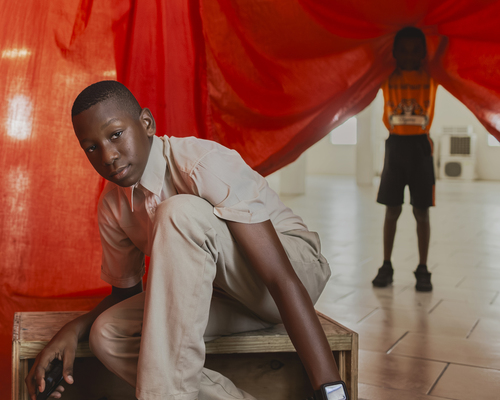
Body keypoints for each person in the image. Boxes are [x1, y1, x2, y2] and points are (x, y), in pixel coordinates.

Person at [26, 81, 349, 400]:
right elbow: (125, 295)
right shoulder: (113, 206)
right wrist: (74, 329)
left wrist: (332, 391)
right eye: (91, 147)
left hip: (289, 276)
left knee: (179, 211)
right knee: (107, 333)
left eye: (115, 134)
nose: (108, 155)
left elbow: (281, 278)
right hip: (227, 296)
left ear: (147, 124)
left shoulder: (200, 163)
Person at [372, 27, 437, 292]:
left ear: (423, 53)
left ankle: (423, 268)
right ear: (395, 52)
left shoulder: (432, 76)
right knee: (392, 209)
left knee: (421, 211)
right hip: (395, 145)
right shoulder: (386, 76)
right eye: (404, 50)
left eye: (415, 50)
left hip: (421, 147)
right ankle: (386, 265)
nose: (409, 55)